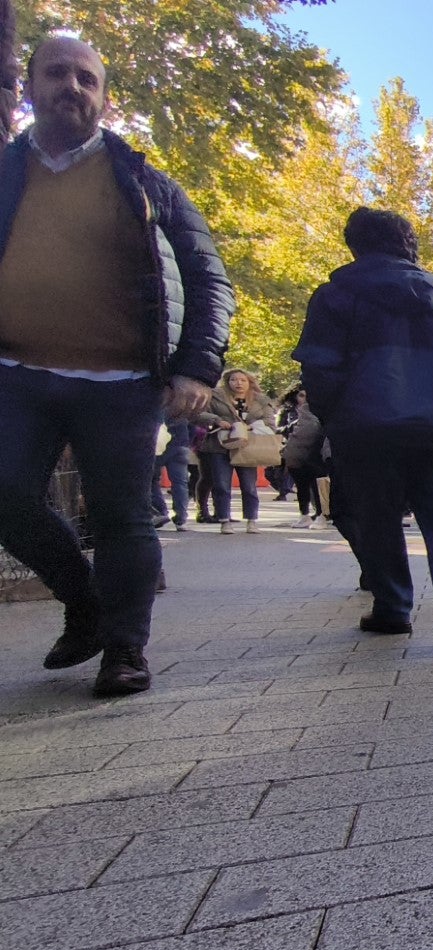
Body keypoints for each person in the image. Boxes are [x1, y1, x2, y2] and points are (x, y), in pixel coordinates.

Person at [0, 36, 232, 695]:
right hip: (16, 375)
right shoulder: (7, 174)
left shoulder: (143, 179)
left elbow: (208, 279)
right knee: (6, 498)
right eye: (56, 74)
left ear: (102, 96)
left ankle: (125, 649)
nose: (71, 87)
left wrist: (196, 369)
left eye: (86, 79)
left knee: (123, 514)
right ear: (30, 87)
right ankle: (85, 603)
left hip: (123, 382)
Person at [293, 206, 433, 649]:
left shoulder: (334, 297)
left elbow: (320, 372)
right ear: (410, 246)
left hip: (368, 429)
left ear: (355, 245)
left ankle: (392, 608)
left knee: (377, 517)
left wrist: (337, 422)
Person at [196, 369, 274, 534]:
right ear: (227, 382)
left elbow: (269, 421)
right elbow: (198, 413)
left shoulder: (260, 400)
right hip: (220, 445)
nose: (238, 383)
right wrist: (217, 420)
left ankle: (252, 520)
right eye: (234, 380)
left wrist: (252, 425)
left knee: (249, 486)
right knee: (222, 485)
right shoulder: (215, 396)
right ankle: (224, 520)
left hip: (248, 446)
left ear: (249, 382)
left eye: (242, 380)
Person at [279, 385, 326, 529]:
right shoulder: (289, 411)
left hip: (315, 451)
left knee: (318, 485)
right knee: (301, 486)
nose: (304, 399)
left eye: (307, 395)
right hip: (295, 451)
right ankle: (304, 515)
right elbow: (281, 428)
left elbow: (313, 429)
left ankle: (322, 515)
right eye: (301, 395)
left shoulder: (318, 409)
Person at [152, 419, 191, 532]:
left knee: (153, 480)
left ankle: (160, 512)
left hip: (159, 443)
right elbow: (192, 425)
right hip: (180, 443)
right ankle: (181, 519)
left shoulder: (159, 404)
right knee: (180, 484)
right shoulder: (182, 403)